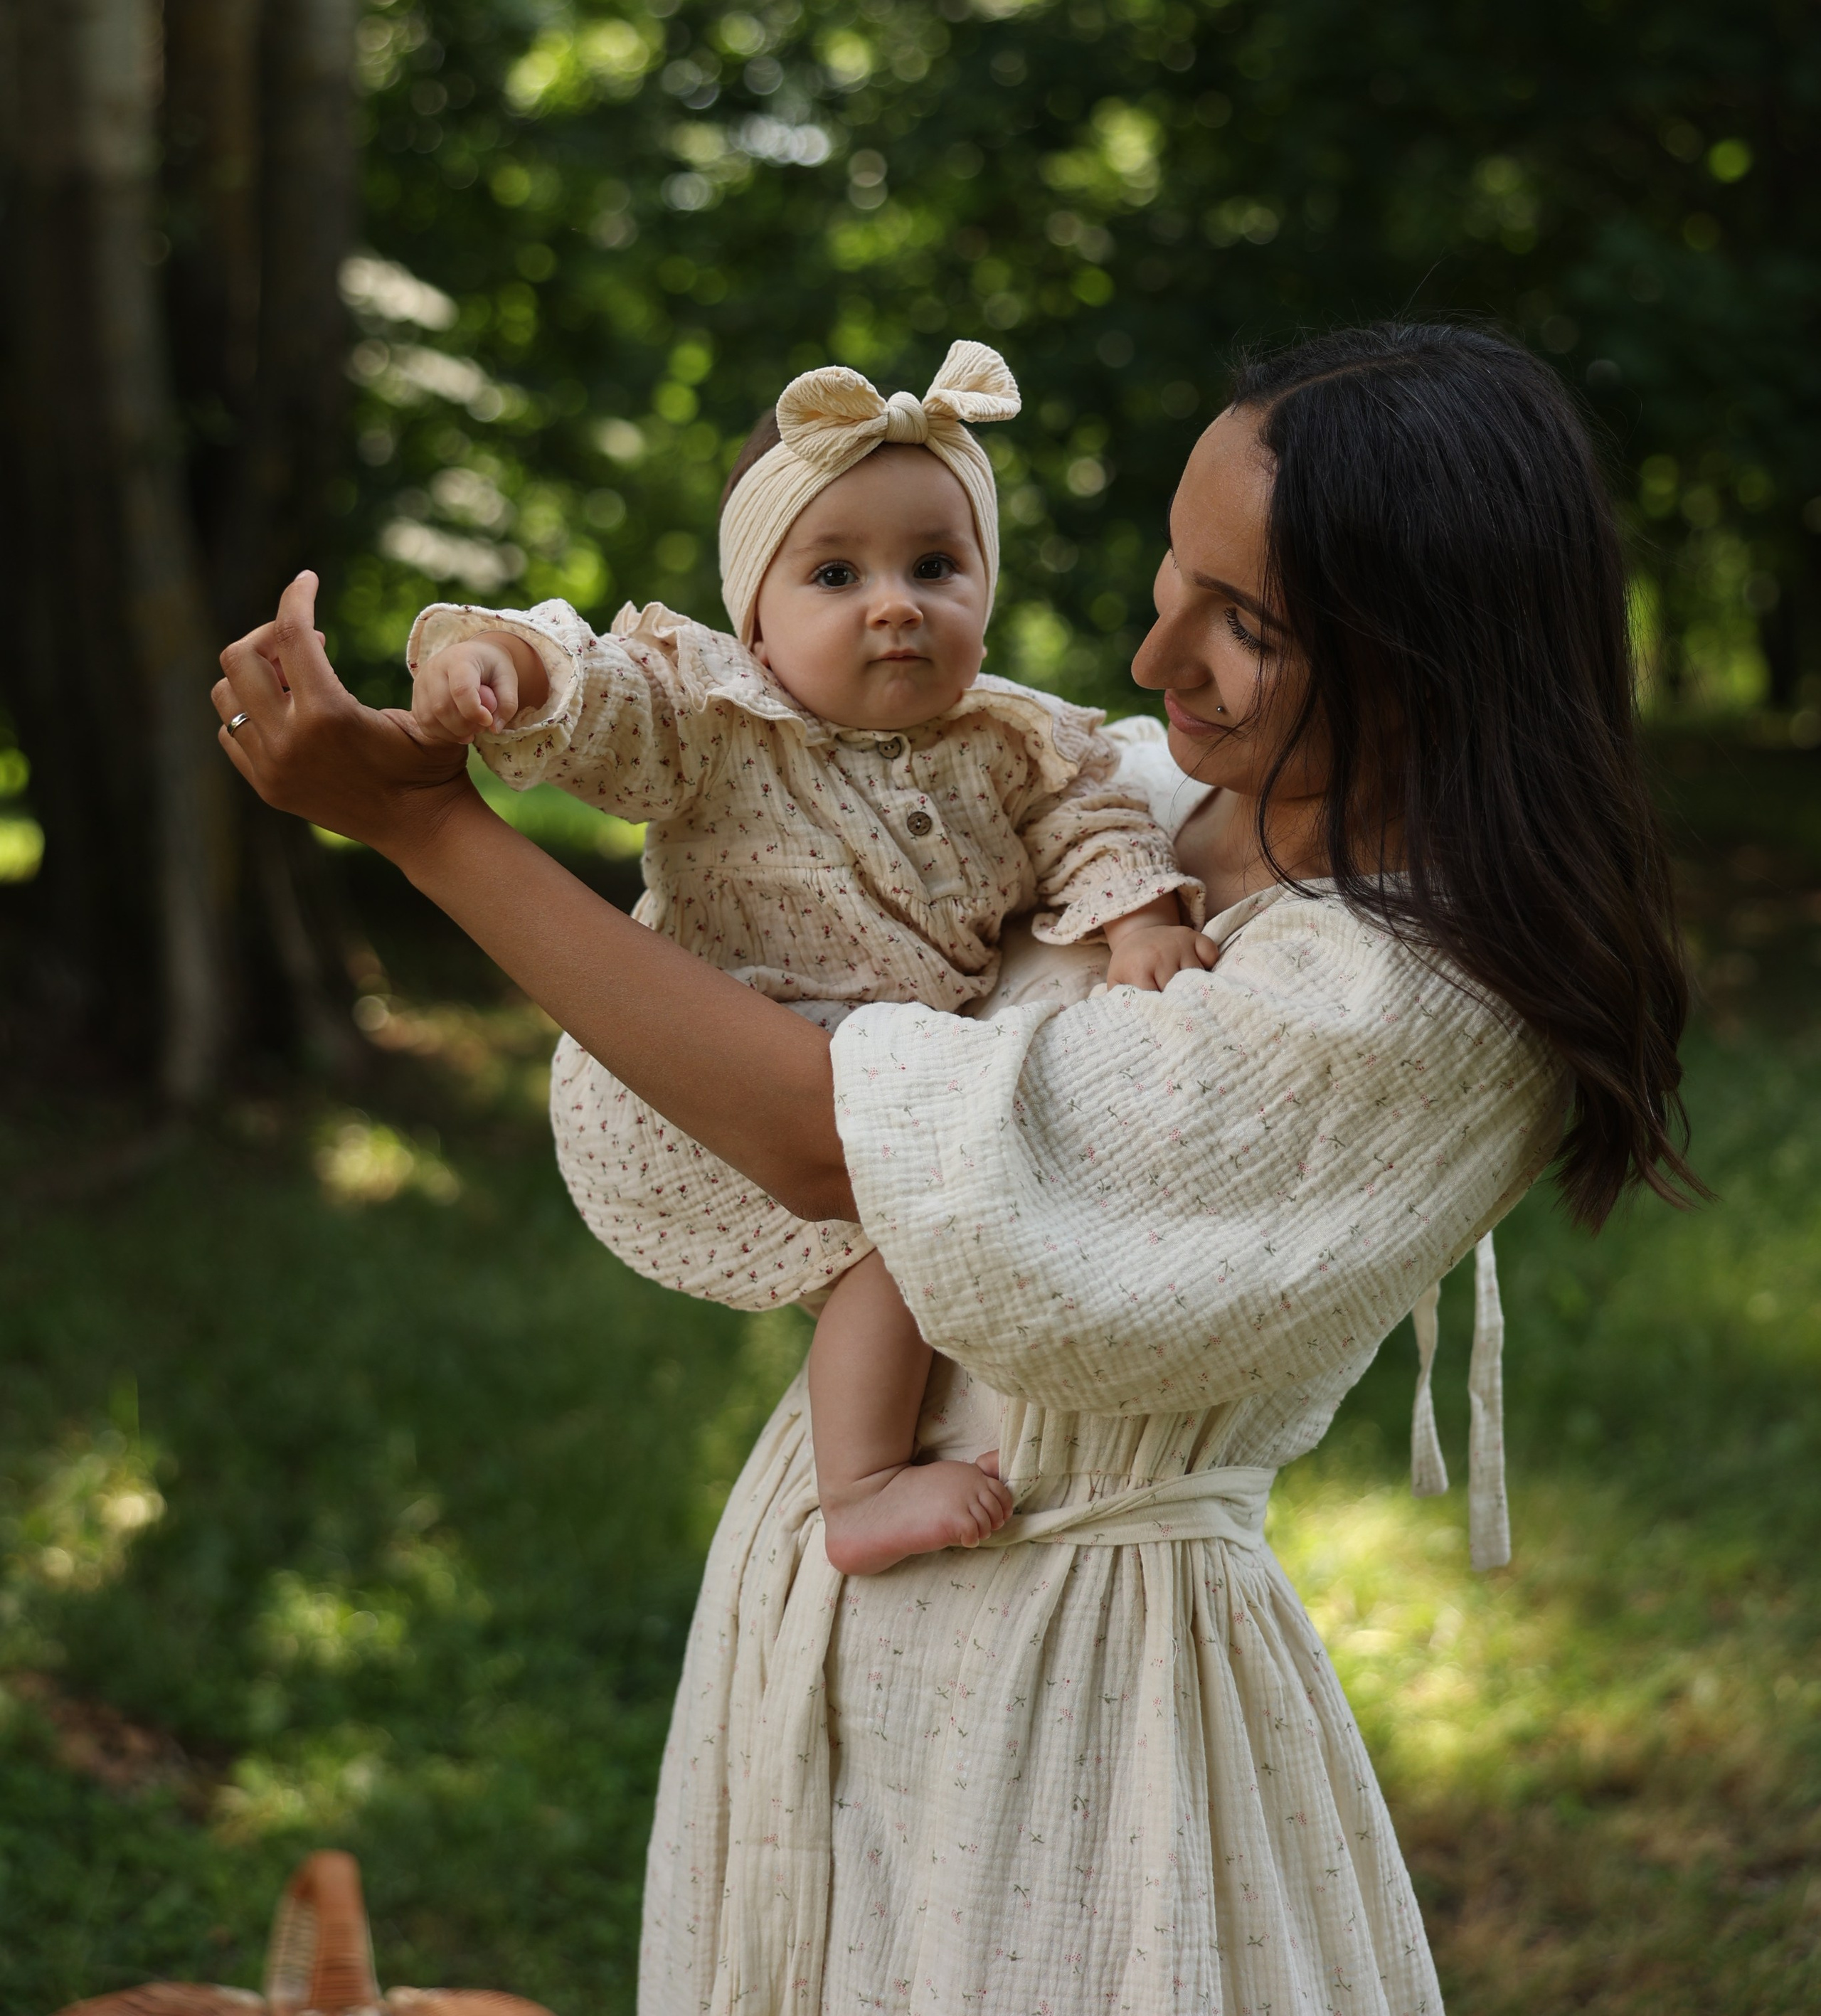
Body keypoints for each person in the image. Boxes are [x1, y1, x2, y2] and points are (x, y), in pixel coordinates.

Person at [212, 322, 1692, 2016]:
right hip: (825, 1617)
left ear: (1436, 657)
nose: (1148, 657)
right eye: (1166, 583)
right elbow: (763, 763)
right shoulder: (1134, 803)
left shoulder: (1409, 1006)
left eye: (1243, 626)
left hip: (1076, 1690)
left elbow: (825, 1136)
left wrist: (422, 833)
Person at [401, 339, 1206, 1574]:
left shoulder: (1013, 736)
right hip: (710, 1067)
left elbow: (1088, 819)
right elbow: (604, 696)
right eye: (836, 573)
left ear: (987, 582)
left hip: (873, 1072)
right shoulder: (718, 719)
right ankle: (864, 1485)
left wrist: (1139, 920)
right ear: (755, 617)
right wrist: (502, 666)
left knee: (909, 1234)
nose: (897, 603)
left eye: (936, 566)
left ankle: (883, 1445)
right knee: (904, 1232)